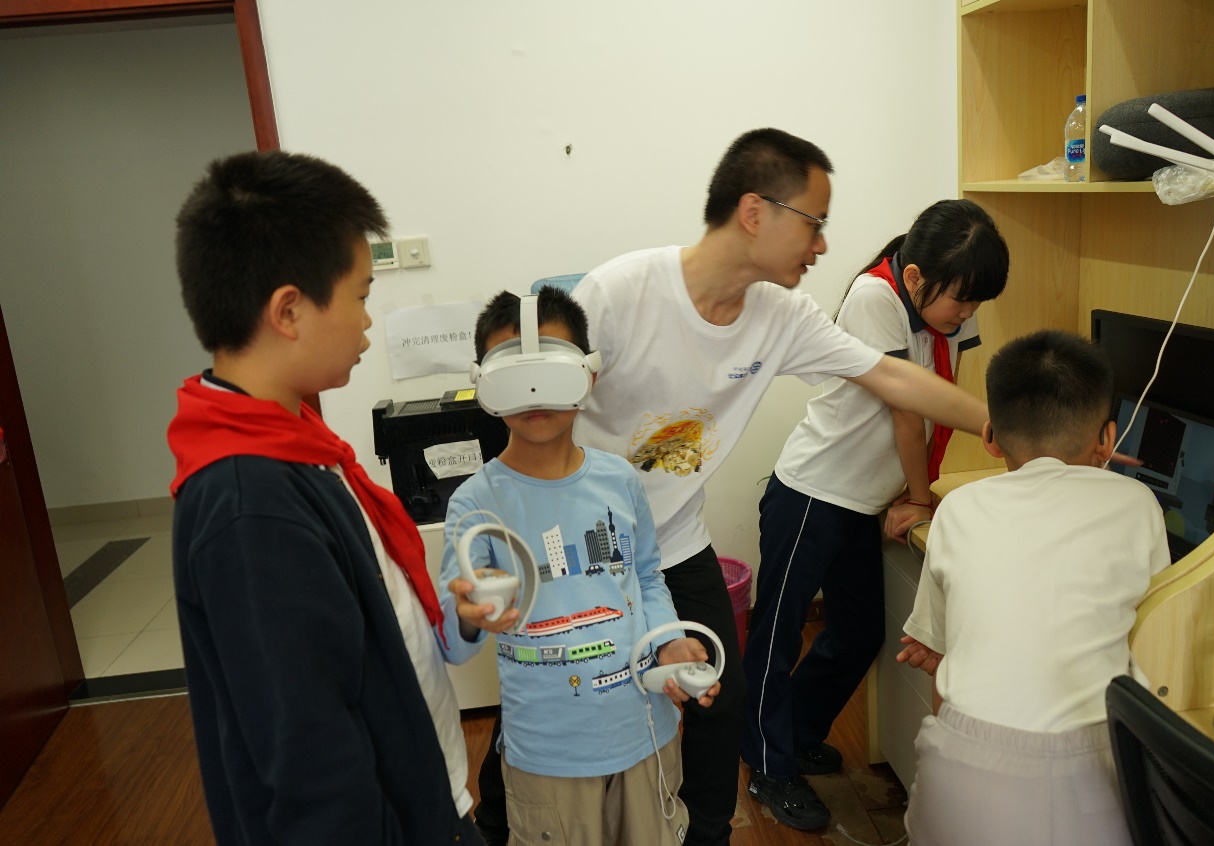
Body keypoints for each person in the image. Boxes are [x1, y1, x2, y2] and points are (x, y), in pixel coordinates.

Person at [467, 127, 988, 846]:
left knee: (722, 692)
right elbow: (535, 409)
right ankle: (495, 823)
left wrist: (999, 425)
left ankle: (706, 833)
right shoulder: (619, 292)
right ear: (754, 212)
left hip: (674, 540)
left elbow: (891, 376)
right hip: (579, 540)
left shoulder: (783, 317)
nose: (822, 246)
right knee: (554, 684)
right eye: (814, 223)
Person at [166, 150, 483, 845]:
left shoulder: (298, 447)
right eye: (361, 295)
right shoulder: (250, 503)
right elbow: (310, 757)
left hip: (425, 796)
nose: (368, 321)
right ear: (289, 310)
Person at [741, 198, 1010, 828]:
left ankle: (795, 731)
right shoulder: (875, 296)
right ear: (916, 278)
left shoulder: (943, 317)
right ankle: (768, 766)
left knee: (859, 631)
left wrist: (909, 490)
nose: (968, 314)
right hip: (813, 494)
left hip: (860, 499)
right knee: (777, 635)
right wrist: (918, 496)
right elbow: (907, 412)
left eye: (978, 302)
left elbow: (945, 395)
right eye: (962, 299)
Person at [440, 288, 719, 846]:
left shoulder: (619, 480)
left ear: (587, 375)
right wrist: (468, 614)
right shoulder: (475, 503)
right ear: (486, 385)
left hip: (645, 734)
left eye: (551, 370)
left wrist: (667, 640)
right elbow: (454, 642)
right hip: (547, 756)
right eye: (516, 375)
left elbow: (646, 575)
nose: (535, 393)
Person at [896, 329, 1170, 846]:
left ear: (990, 436)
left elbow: (939, 663)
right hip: (1090, 767)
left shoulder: (957, 508)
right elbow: (1154, 643)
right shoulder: (1138, 504)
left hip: (960, 760)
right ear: (1108, 438)